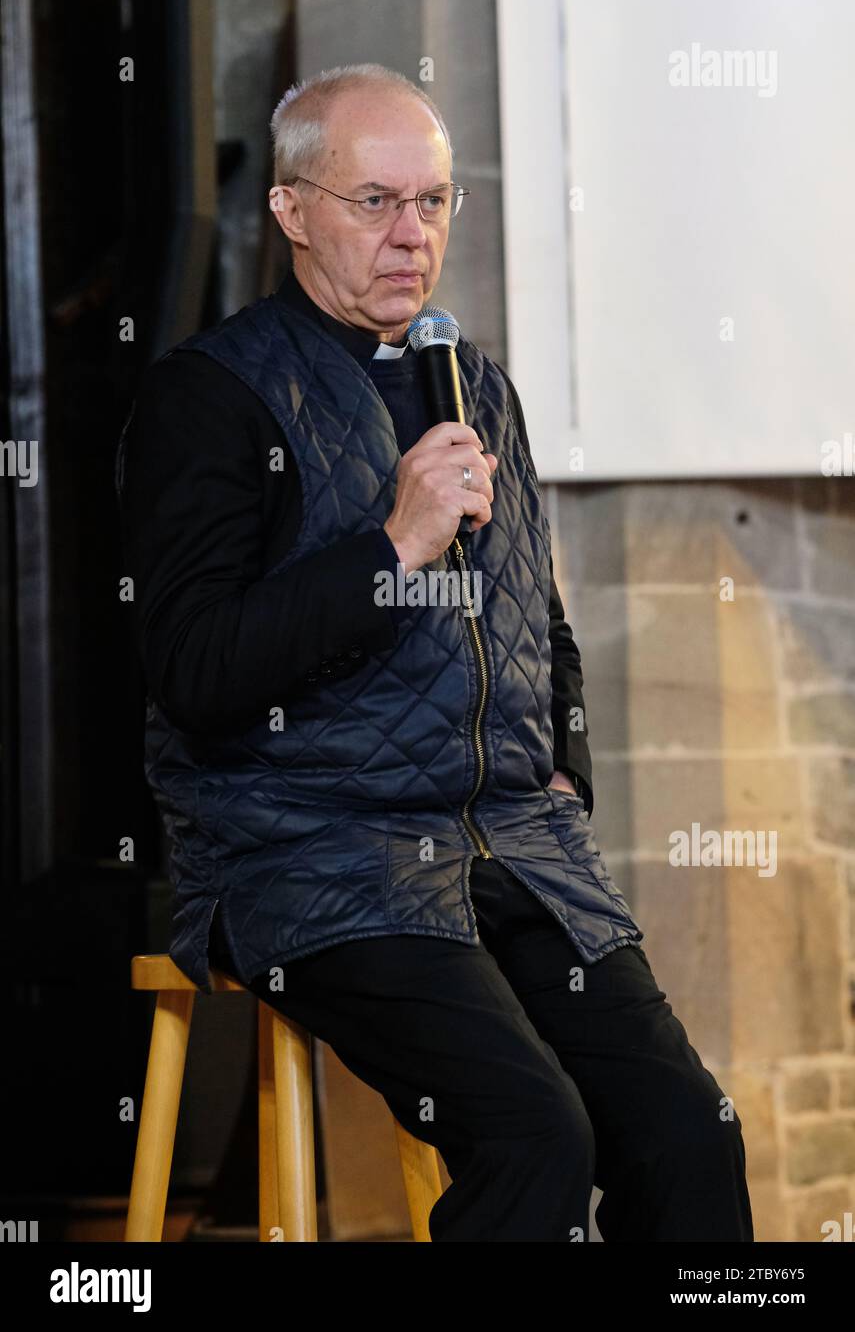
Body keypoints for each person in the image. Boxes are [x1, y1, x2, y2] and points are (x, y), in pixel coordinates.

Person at [116, 62, 753, 1242]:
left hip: (512, 840)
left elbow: (536, 617)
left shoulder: (478, 389)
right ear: (293, 209)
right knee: (534, 1134)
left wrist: (567, 763)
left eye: (435, 203)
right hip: (312, 851)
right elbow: (197, 672)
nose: (413, 236)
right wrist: (392, 542)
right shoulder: (209, 400)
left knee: (689, 1130)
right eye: (376, 203)